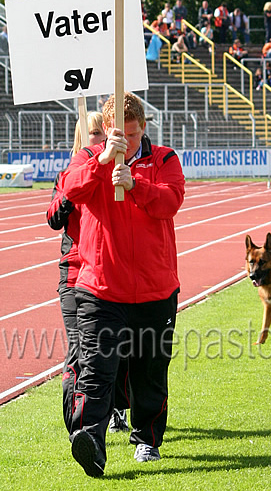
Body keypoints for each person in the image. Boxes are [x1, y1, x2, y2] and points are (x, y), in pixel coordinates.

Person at [60, 92, 185, 476]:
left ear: (144, 128)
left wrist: (136, 185)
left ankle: (147, 438)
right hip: (100, 287)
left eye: (132, 134)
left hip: (155, 288)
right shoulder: (88, 158)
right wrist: (101, 161)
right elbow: (69, 192)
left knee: (150, 370)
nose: (126, 142)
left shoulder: (164, 159)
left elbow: (171, 201)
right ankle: (90, 441)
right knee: (97, 369)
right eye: (119, 134)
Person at [47, 113, 130, 436]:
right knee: (81, 351)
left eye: (103, 133)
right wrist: (77, 187)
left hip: (111, 272)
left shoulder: (120, 172)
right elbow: (53, 218)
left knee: (118, 350)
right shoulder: (69, 174)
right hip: (75, 273)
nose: (98, 139)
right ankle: (77, 424)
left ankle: (116, 410)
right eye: (93, 133)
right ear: (81, 138)